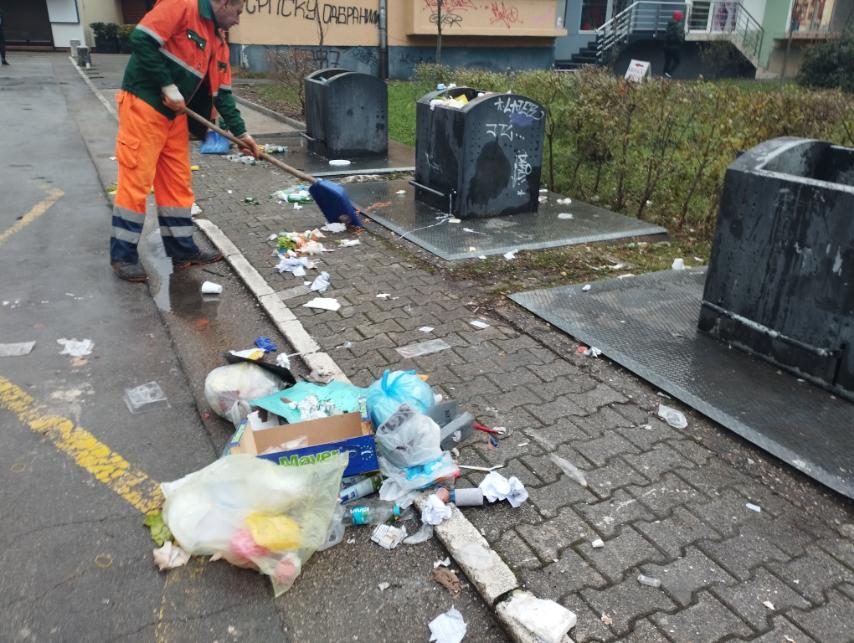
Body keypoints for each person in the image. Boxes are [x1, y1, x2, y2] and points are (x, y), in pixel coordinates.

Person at [110, 0, 259, 282]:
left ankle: (181, 251)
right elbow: (141, 39)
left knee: (177, 184)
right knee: (136, 182)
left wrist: (241, 134)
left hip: (174, 117)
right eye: (238, 12)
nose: (239, 20)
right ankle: (122, 256)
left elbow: (223, 95)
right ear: (224, 3)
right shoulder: (182, 5)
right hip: (144, 104)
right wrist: (167, 85)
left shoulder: (219, 41)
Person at [663, 10, 684, 79]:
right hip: (675, 47)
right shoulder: (679, 25)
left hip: (666, 46)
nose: (682, 17)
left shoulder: (669, 24)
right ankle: (668, 74)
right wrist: (681, 41)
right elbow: (679, 36)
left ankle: (664, 75)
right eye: (681, 16)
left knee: (667, 61)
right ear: (678, 17)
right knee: (677, 61)